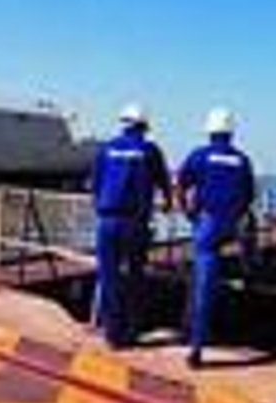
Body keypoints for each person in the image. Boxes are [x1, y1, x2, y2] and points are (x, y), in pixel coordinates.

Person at [176, 107, 256, 368]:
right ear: (231, 132)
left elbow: (181, 182)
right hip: (233, 225)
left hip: (208, 226)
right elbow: (248, 198)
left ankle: (197, 347)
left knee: (203, 286)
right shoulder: (242, 160)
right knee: (249, 229)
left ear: (209, 131)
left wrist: (188, 212)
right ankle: (248, 266)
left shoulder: (200, 156)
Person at [90, 103, 172, 348]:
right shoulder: (150, 150)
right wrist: (167, 204)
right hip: (135, 223)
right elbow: (164, 183)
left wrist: (101, 209)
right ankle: (132, 330)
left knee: (109, 276)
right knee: (135, 276)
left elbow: (95, 184)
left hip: (107, 221)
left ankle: (112, 334)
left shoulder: (106, 149)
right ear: (144, 126)